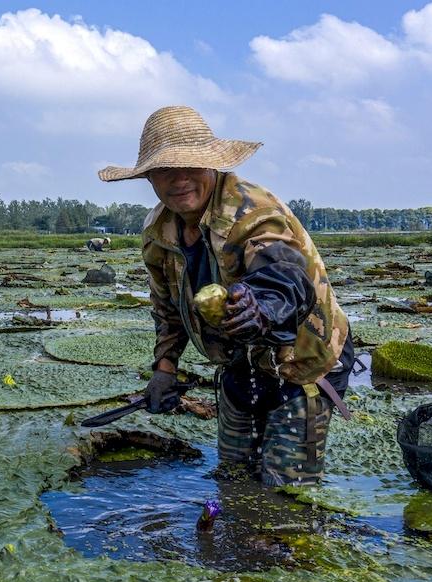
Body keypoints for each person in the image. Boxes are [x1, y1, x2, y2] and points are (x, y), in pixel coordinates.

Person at [99, 106, 354, 486]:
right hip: (239, 363)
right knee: (234, 479)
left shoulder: (251, 212)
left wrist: (262, 307)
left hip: (304, 360)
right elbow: (167, 308)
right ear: (150, 177)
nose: (180, 180)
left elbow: (284, 273)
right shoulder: (158, 231)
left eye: (192, 166)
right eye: (167, 169)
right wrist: (165, 369)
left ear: (213, 167)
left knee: (285, 492)